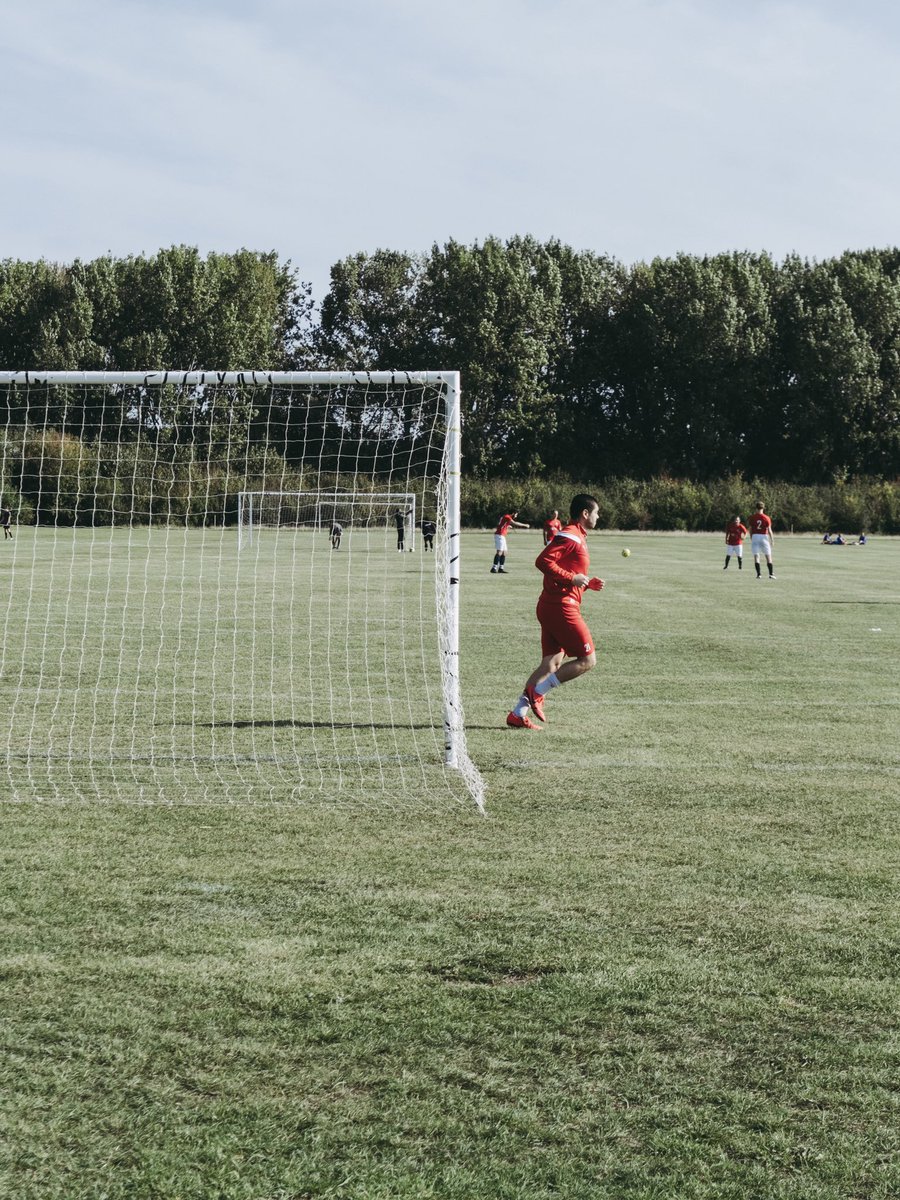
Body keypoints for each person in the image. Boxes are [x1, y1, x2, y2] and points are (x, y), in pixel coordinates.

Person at [506, 494, 604, 729]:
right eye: (597, 513)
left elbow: (567, 569)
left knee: (550, 665)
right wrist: (573, 579)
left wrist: (585, 583)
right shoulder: (571, 534)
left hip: (552, 604)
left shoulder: (577, 535)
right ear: (585, 514)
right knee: (588, 660)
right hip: (561, 607)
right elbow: (543, 562)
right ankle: (537, 693)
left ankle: (517, 714)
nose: (599, 517)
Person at [749, 501, 776, 579]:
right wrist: (772, 540)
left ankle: (759, 574)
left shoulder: (752, 517)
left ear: (756, 508)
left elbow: (750, 529)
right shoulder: (767, 518)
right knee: (768, 555)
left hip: (755, 536)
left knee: (756, 555)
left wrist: (751, 537)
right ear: (763, 508)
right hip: (764, 536)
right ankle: (771, 574)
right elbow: (769, 530)